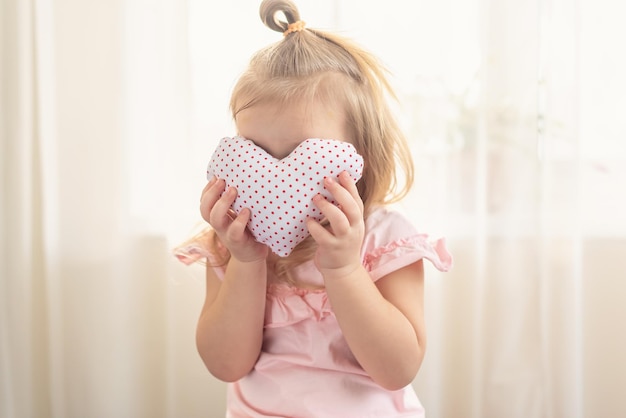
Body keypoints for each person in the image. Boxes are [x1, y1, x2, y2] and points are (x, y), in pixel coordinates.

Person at [175, 0, 452, 416]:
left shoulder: (387, 239)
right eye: (256, 155)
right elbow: (225, 364)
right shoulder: (230, 241)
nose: (275, 178)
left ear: (358, 155)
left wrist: (343, 268)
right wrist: (246, 263)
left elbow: (397, 369)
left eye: (301, 157)